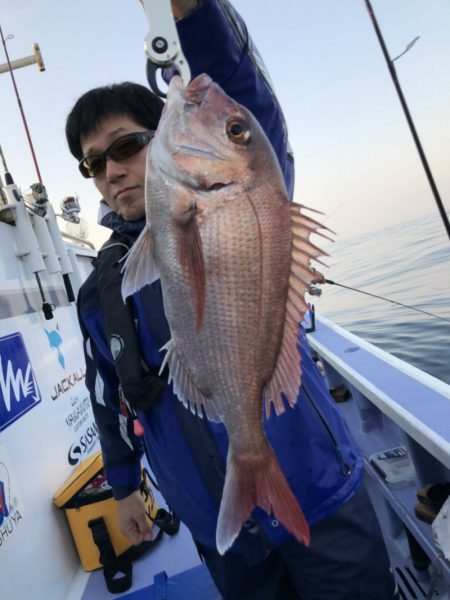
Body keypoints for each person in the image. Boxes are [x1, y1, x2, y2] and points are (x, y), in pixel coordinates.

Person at [66, 1, 397, 598]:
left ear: (161, 133)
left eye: (125, 146)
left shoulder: (251, 190)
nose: (110, 170)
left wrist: (192, 17)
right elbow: (105, 395)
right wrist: (121, 488)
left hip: (313, 487)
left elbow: (243, 101)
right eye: (93, 162)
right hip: (217, 520)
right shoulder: (99, 291)